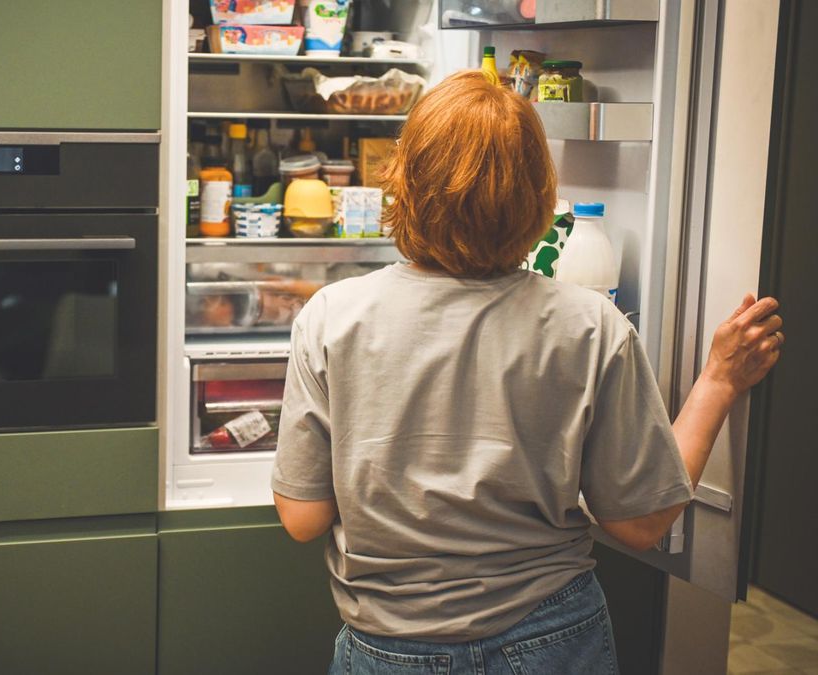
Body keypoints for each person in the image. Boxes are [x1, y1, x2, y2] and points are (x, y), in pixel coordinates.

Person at [271, 71, 783, 674]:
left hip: (391, 644)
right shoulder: (590, 324)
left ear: (402, 182)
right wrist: (718, 381)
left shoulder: (332, 317)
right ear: (537, 194)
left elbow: (302, 519)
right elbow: (642, 522)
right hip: (553, 639)